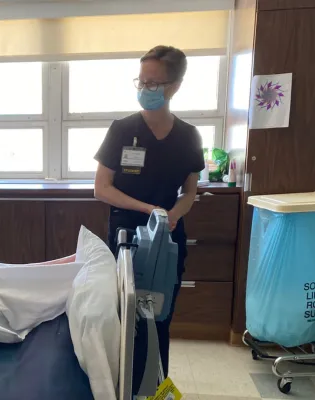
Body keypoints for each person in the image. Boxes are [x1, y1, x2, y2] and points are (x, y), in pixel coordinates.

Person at [94, 46, 205, 381]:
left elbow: (190, 191)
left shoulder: (187, 136)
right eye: (141, 82)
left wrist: (173, 214)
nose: (145, 90)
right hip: (127, 237)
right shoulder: (122, 129)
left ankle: (155, 385)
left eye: (153, 84)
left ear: (175, 86)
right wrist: (149, 209)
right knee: (126, 317)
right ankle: (122, 386)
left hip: (167, 240)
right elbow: (102, 188)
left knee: (159, 318)